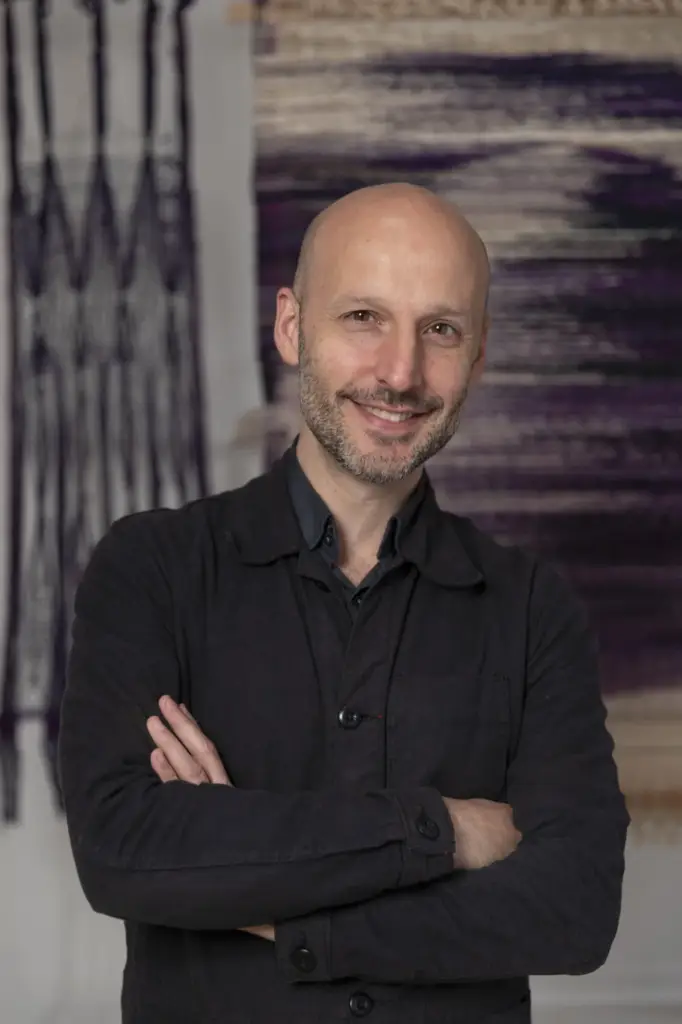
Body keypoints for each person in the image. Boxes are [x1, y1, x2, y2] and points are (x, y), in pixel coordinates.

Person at [58, 182, 629, 1024]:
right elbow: (122, 851)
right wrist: (443, 831)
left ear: (477, 356)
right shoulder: (152, 568)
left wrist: (266, 892)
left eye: (441, 329)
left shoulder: (533, 606)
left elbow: (574, 910)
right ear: (292, 327)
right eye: (364, 317)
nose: (400, 373)